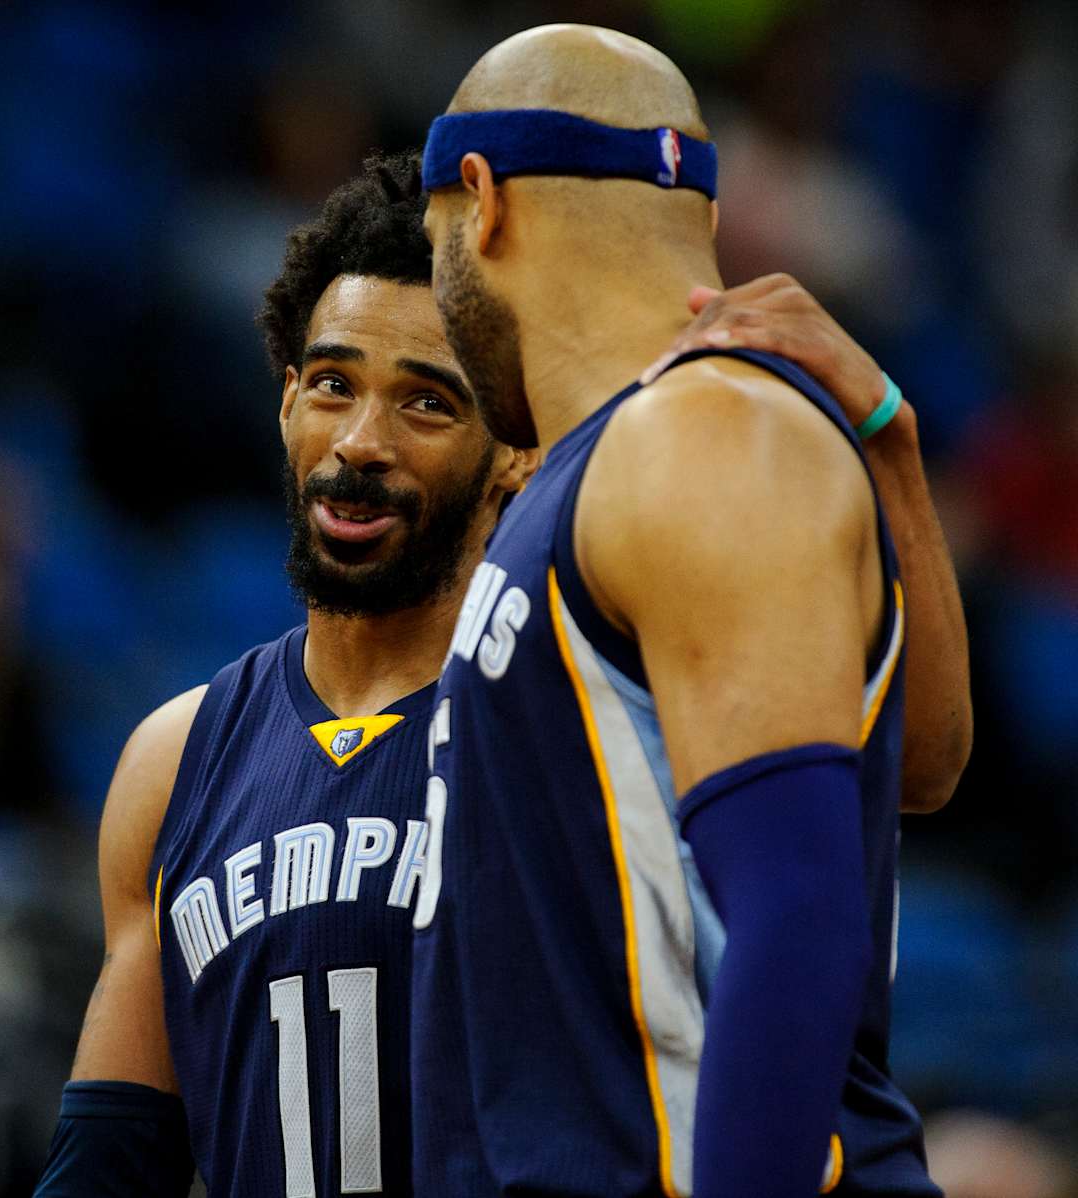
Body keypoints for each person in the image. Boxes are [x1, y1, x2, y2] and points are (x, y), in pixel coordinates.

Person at [35, 150, 967, 1195]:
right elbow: (110, 1159)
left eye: (427, 404)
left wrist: (888, 439)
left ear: (517, 447)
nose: (362, 442)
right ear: (287, 400)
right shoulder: (174, 762)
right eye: (334, 385)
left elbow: (919, 765)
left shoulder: (585, 706)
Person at [412, 24, 970, 1198]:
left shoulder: (697, 436)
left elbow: (802, 918)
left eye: (430, 246)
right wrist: (897, 452)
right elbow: (915, 760)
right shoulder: (607, 465)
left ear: (481, 203)